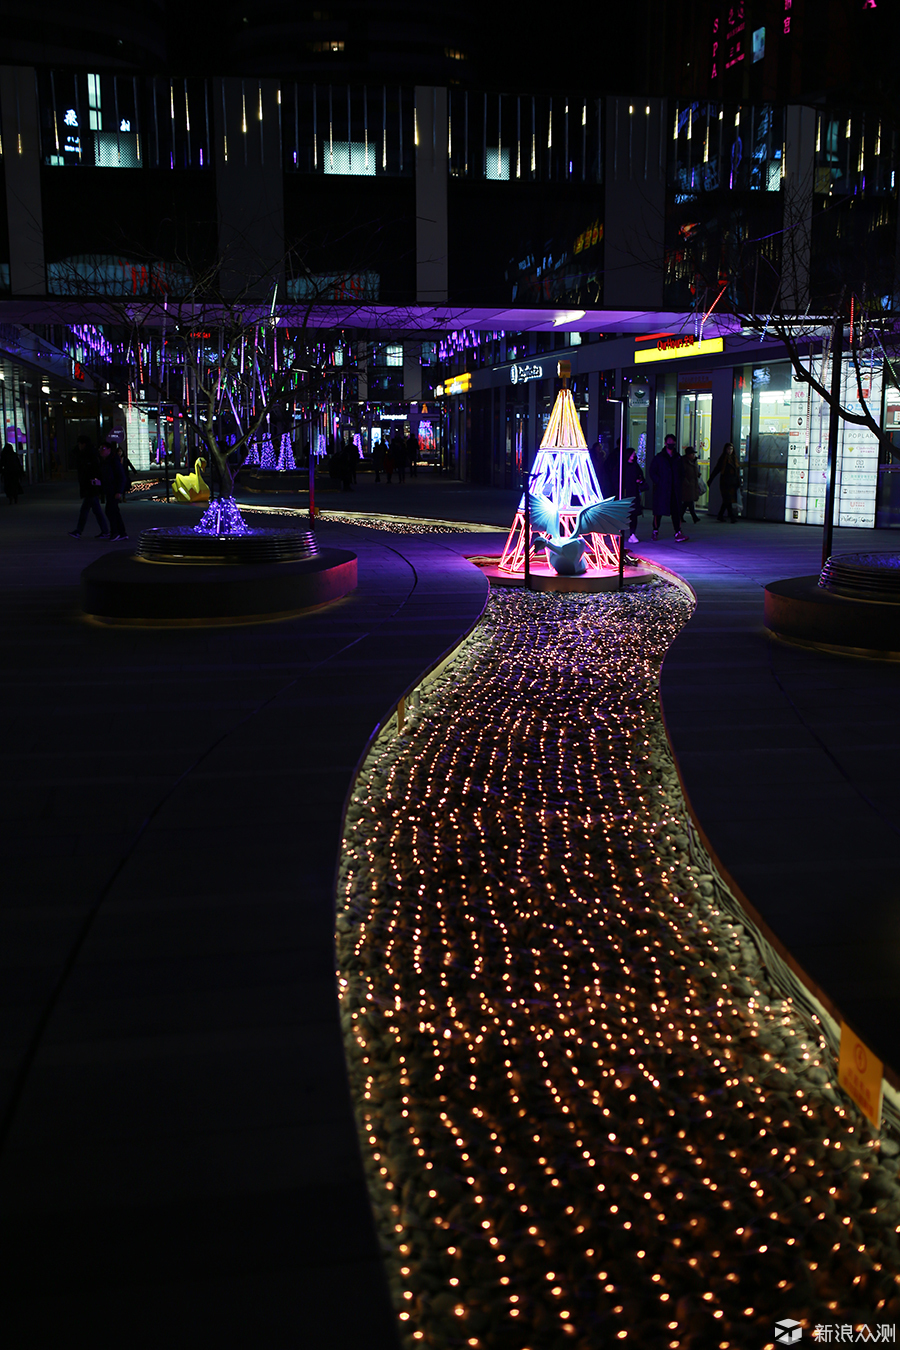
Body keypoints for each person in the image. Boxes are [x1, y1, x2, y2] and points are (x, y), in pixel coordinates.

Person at [649, 435, 688, 542]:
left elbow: (682, 472)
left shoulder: (677, 457)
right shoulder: (659, 457)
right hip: (662, 489)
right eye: (669, 442)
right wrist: (659, 482)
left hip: (674, 490)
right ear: (665, 443)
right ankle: (655, 530)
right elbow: (652, 471)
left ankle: (678, 532)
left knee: (676, 511)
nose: (671, 444)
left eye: (673, 442)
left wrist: (679, 482)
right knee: (659, 511)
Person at [69, 435, 109, 538]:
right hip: (91, 487)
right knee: (94, 510)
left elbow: (90, 471)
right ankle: (104, 531)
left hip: (90, 487)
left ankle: (79, 531)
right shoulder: (91, 455)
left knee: (87, 510)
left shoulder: (88, 456)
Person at [99, 441, 128, 539]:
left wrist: (119, 491)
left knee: (110, 511)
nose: (101, 451)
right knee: (114, 511)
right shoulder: (106, 461)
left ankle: (116, 532)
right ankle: (121, 532)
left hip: (113, 490)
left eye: (103, 449)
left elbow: (121, 477)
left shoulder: (113, 461)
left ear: (109, 450)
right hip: (110, 489)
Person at [709, 441, 741, 522]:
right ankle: (732, 517)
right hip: (725, 482)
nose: (730, 450)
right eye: (728, 449)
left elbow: (737, 472)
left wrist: (738, 481)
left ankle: (721, 515)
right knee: (728, 499)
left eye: (731, 449)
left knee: (727, 500)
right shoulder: (723, 459)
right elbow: (717, 469)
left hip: (732, 483)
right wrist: (711, 479)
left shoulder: (734, 459)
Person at [619, 447, 646, 544]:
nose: (634, 456)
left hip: (633, 493)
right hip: (626, 493)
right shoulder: (623, 466)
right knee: (625, 514)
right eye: (633, 454)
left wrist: (640, 481)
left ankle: (632, 533)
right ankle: (620, 533)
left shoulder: (635, 466)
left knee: (633, 515)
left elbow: (641, 476)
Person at [680, 445, 704, 525]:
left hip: (692, 484)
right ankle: (694, 517)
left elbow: (695, 471)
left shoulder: (694, 461)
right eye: (692, 454)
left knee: (687, 502)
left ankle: (681, 516)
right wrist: (687, 483)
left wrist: (697, 474)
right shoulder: (684, 462)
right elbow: (682, 474)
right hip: (687, 485)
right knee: (689, 501)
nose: (694, 456)